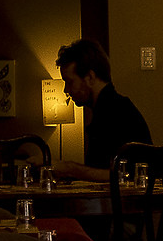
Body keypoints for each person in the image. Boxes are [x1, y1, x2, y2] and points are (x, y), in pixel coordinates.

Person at [50, 38, 152, 183]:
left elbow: (124, 175)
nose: (66, 90)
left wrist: (70, 168)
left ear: (90, 77)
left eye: (69, 81)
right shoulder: (113, 107)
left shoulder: (115, 113)